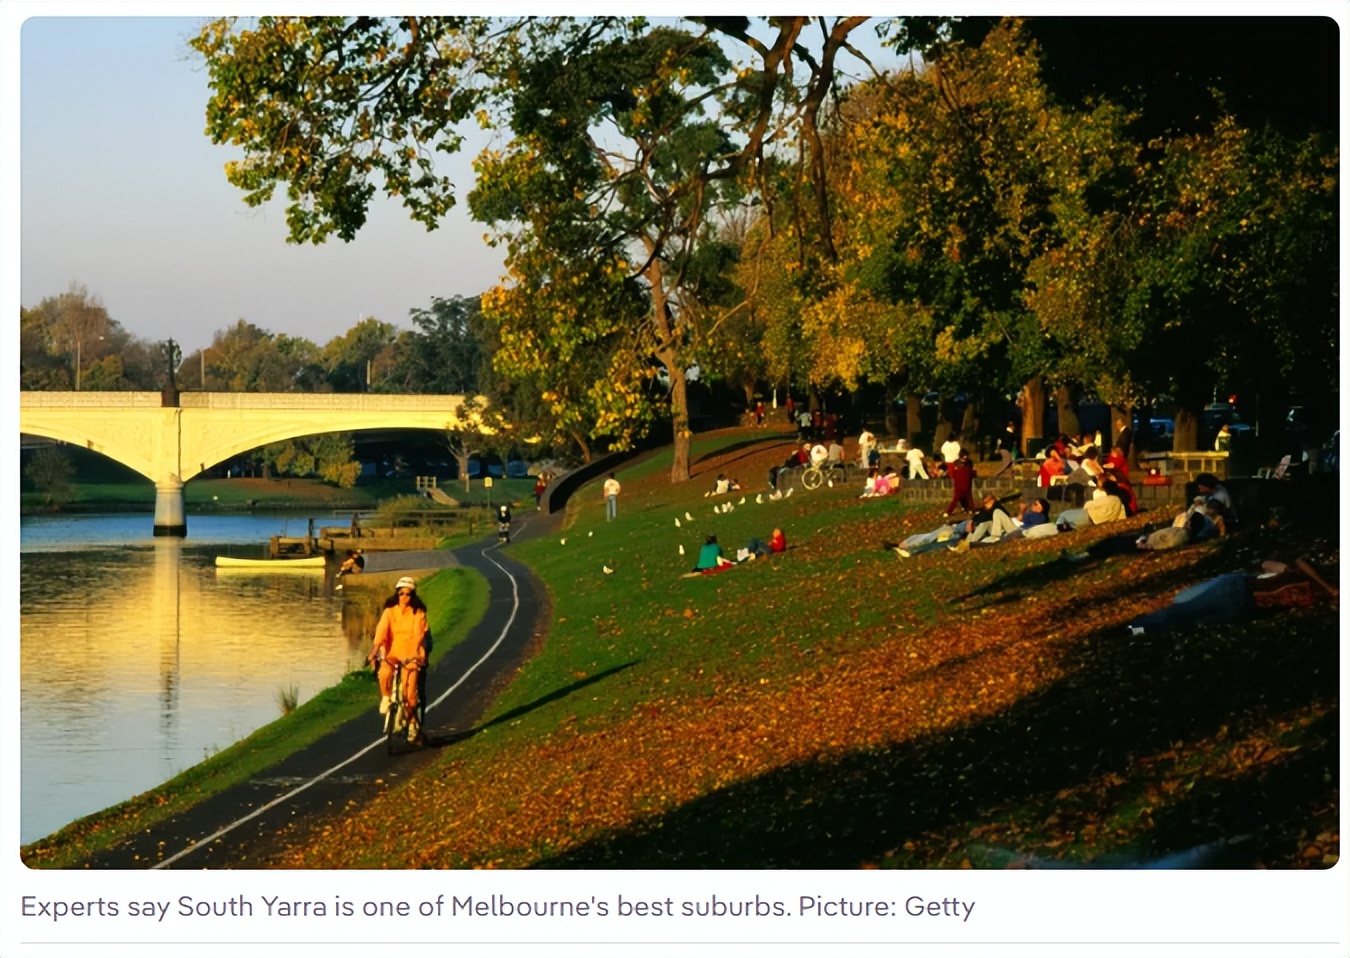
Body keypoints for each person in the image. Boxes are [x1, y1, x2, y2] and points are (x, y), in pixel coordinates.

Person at [367, 576, 429, 744]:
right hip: (392, 652)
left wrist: (416, 654)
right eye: (401, 593)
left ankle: (412, 726)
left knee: (410, 696)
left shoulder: (418, 613)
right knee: (384, 673)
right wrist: (375, 649)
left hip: (411, 654)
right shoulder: (389, 612)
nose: (404, 597)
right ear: (397, 594)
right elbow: (381, 631)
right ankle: (386, 697)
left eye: (408, 594)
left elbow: (418, 634)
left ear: (413, 595)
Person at [943, 448, 975, 518]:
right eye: (963, 458)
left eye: (965, 458)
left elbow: (971, 472)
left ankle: (970, 509)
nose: (964, 460)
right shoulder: (956, 463)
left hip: (967, 484)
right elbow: (954, 474)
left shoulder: (969, 463)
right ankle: (949, 511)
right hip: (959, 484)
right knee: (957, 498)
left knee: (969, 498)